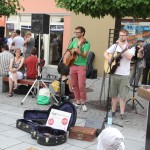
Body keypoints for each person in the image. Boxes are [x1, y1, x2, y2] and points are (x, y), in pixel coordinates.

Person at [104, 29, 135, 119]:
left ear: (127, 36)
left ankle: (122, 113)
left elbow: (129, 57)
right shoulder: (115, 45)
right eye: (120, 35)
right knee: (113, 95)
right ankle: (113, 111)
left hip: (124, 75)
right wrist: (108, 58)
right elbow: (105, 53)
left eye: (123, 35)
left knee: (123, 95)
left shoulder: (131, 46)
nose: (121, 36)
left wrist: (122, 46)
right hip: (114, 73)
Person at [67, 26, 90, 112]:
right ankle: (77, 101)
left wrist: (78, 51)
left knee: (81, 85)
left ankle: (83, 102)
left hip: (81, 66)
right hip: (73, 64)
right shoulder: (74, 41)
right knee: (74, 85)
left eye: (77, 32)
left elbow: (84, 55)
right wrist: (72, 50)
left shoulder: (86, 43)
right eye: (75, 32)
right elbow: (69, 50)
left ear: (82, 33)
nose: (76, 34)